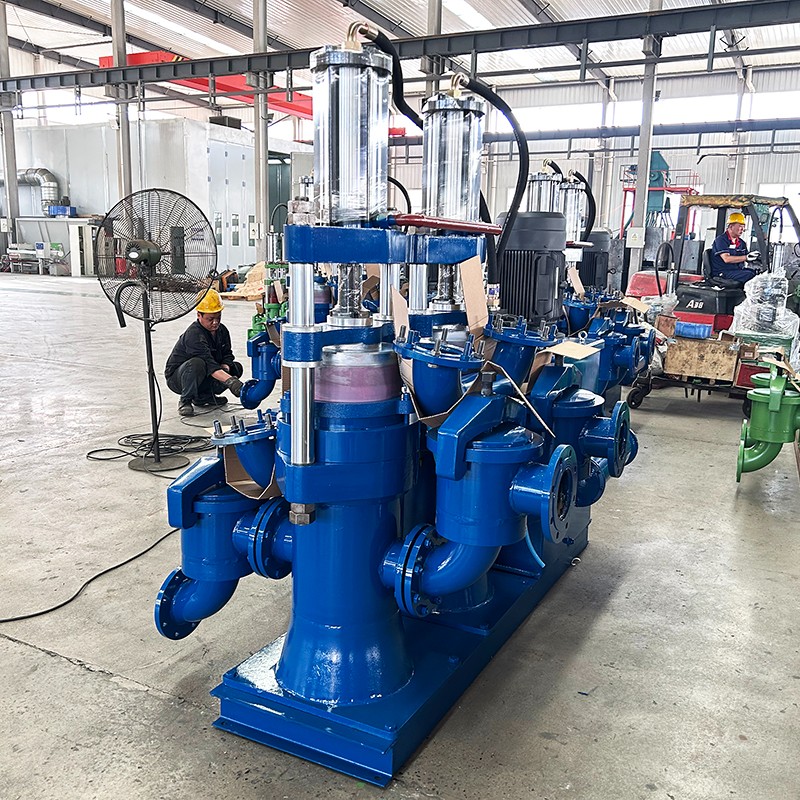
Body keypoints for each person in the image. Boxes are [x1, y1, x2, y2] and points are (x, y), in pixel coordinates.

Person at [165, 289, 244, 417]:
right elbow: (209, 364)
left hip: (206, 372)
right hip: (179, 378)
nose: (215, 322)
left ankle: (204, 397)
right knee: (197, 363)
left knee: (236, 367)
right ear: (199, 315)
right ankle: (185, 400)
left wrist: (226, 367)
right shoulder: (194, 334)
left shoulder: (222, 331)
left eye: (218, 317)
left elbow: (227, 354)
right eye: (210, 319)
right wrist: (231, 382)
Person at [710, 211, 758, 284]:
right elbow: (726, 259)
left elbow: (747, 257)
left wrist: (757, 259)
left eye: (743, 226)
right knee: (749, 275)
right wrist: (746, 257)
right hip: (722, 272)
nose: (742, 229)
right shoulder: (721, 240)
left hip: (735, 271)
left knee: (756, 273)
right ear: (731, 226)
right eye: (740, 226)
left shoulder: (742, 243)